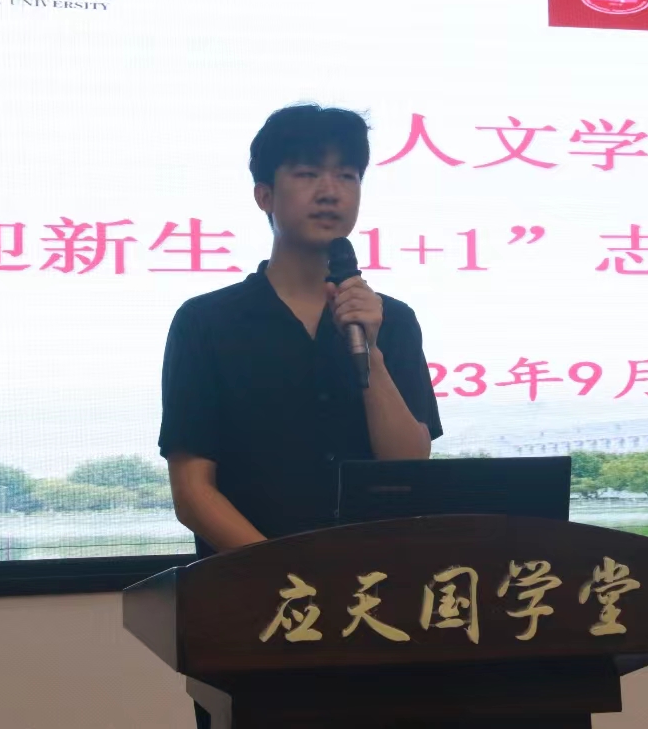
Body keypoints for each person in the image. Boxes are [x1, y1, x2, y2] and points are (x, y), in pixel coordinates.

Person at [157, 104, 443, 728]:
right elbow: (193, 491)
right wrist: (291, 578)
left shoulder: (391, 319)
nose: (330, 191)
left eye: (347, 176)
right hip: (250, 610)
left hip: (377, 609)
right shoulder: (207, 322)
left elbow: (408, 463)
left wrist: (371, 350)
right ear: (264, 194)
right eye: (308, 173)